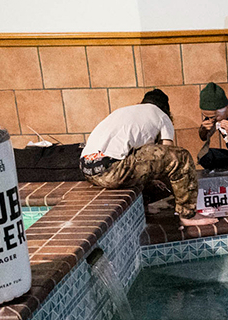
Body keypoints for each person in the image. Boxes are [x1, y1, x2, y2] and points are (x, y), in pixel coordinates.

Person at [79, 89, 217, 227]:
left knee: (138, 159)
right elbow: (168, 153)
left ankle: (144, 207)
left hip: (88, 169)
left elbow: (142, 159)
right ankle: (188, 215)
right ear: (166, 109)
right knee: (181, 157)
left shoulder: (124, 111)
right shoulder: (162, 116)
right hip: (113, 170)